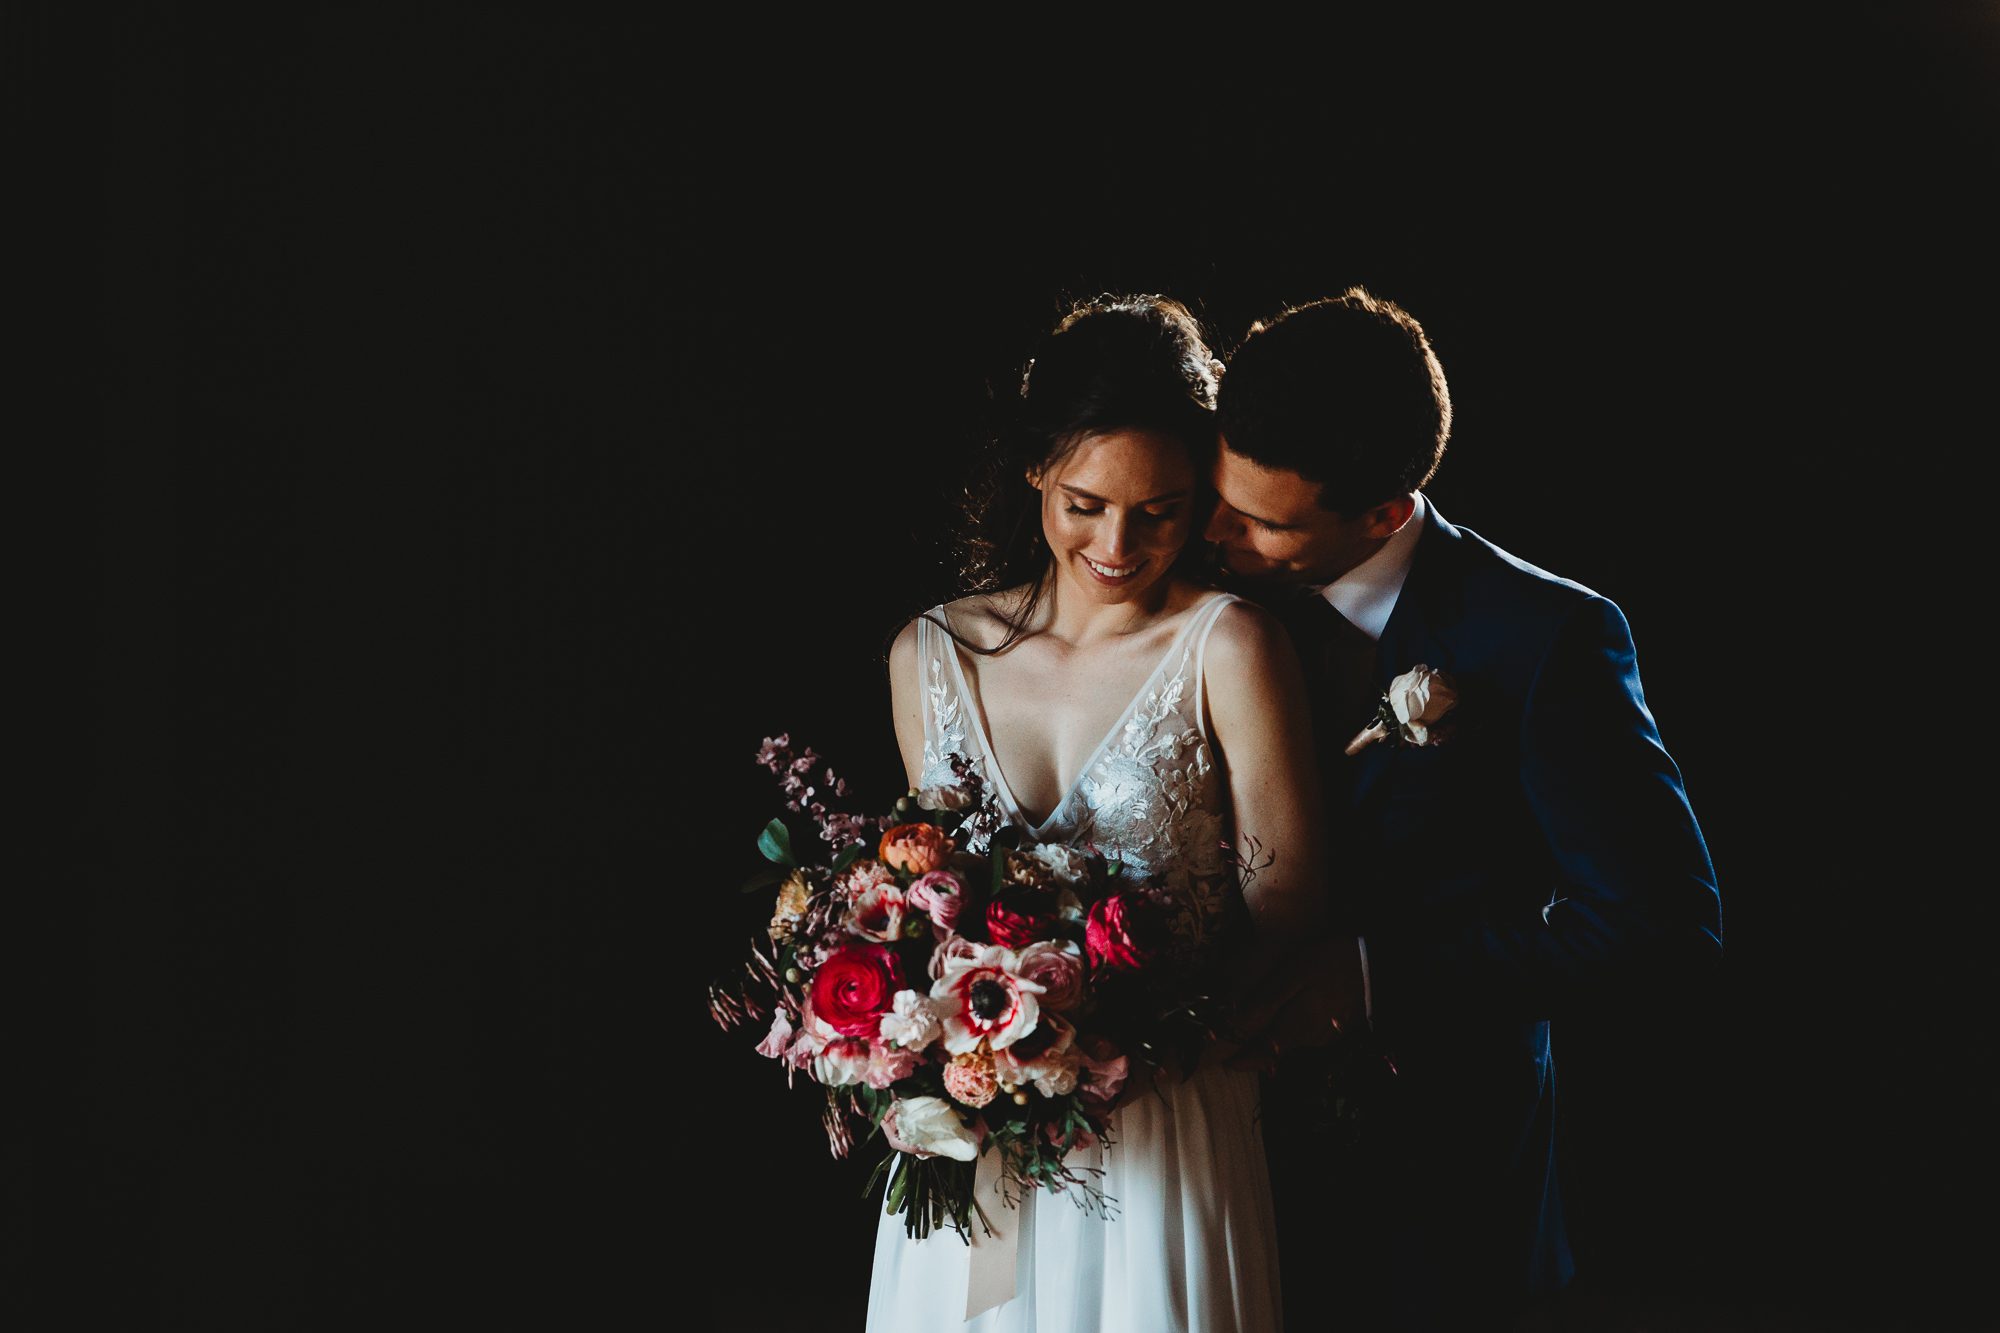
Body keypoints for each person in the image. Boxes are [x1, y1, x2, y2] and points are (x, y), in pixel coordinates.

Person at [1208, 288, 1724, 1331]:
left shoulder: (1543, 638)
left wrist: (1369, 979)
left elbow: (1657, 924)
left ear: (1385, 511)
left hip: (1433, 1178)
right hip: (1211, 1153)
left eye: (1263, 521)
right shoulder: (1208, 584)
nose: (1215, 533)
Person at [867, 295, 1339, 1333]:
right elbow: (922, 894)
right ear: (1035, 467)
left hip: (1165, 1122)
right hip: (978, 1130)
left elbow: (1293, 900)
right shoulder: (929, 655)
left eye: (1159, 509)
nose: (1118, 541)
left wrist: (1126, 1033)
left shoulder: (1230, 646)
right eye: (1084, 502)